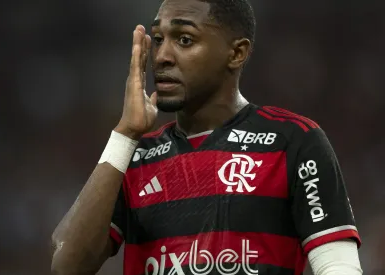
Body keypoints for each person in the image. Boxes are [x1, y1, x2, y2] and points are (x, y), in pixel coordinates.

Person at [51, 0, 363, 274]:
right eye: (158, 39)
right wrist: (125, 134)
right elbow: (68, 266)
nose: (161, 56)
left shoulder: (292, 140)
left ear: (236, 53)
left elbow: (338, 266)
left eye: (184, 40)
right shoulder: (132, 157)